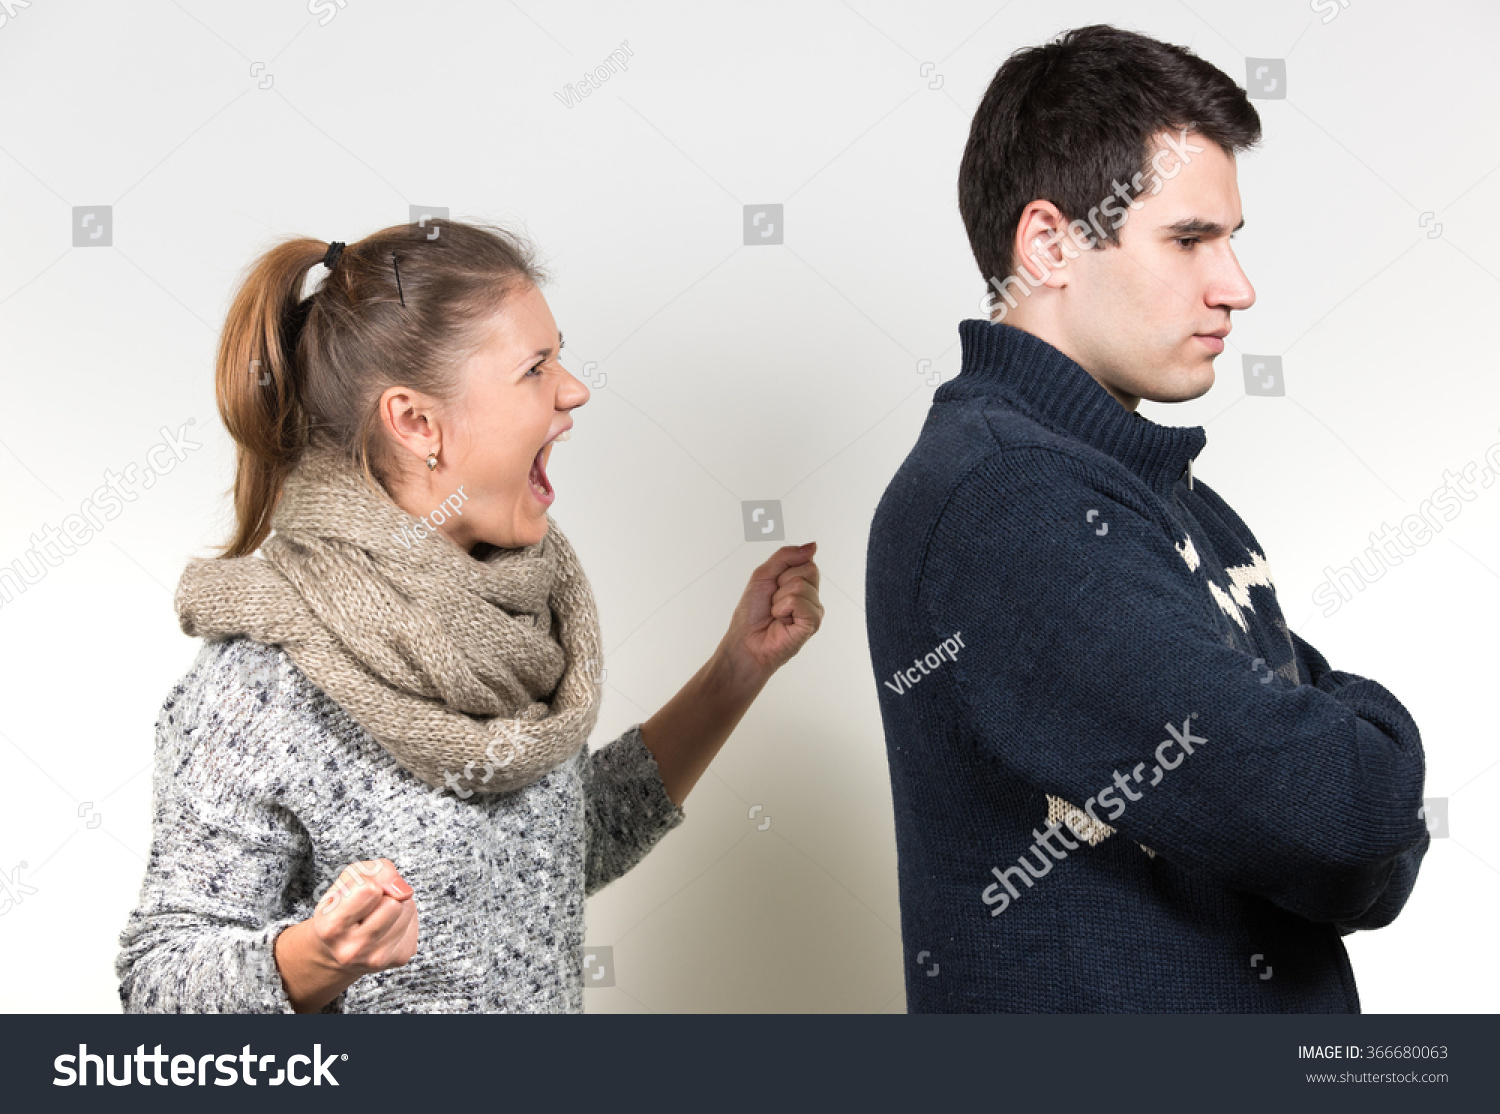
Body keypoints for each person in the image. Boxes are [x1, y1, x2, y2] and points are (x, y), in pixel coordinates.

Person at [116, 219, 823, 1013]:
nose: (574, 389)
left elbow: (544, 862)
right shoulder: (261, 684)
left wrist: (738, 670)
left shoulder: (514, 625)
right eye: (534, 369)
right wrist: (318, 956)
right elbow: (158, 979)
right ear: (417, 423)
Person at [864, 24, 1428, 1012]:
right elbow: (1345, 815)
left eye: (1231, 240)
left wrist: (1355, 791)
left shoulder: (1162, 498)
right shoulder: (1007, 503)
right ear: (1048, 245)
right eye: (1188, 239)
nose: (1236, 288)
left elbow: (1359, 854)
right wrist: (1367, 762)